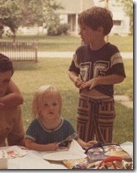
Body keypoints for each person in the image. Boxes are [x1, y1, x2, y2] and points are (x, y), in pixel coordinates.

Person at [68, 7, 126, 144]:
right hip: (84, 103)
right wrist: (75, 79)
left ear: (99, 30)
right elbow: (72, 70)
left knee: (104, 141)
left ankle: (102, 164)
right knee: (82, 140)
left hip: (104, 104)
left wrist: (98, 80)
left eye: (84, 29)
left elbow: (120, 76)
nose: (79, 32)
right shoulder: (81, 51)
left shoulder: (112, 51)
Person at [24, 85, 96, 152]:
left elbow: (75, 140)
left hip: (60, 158)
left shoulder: (65, 125)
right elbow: (28, 143)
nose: (50, 108)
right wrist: (45, 148)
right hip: (40, 160)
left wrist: (85, 145)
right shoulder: (36, 125)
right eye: (46, 105)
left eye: (54, 104)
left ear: (59, 106)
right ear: (38, 108)